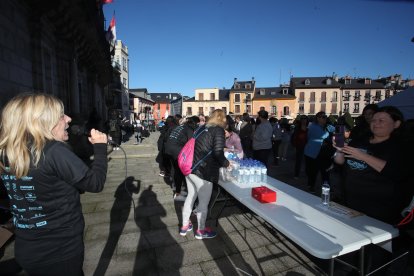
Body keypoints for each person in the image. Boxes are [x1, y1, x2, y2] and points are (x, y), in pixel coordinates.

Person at [0, 93, 108, 276]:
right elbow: (95, 183)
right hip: (60, 251)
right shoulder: (54, 151)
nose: (68, 119)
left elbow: (46, 184)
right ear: (41, 122)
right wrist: (100, 147)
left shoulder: (7, 152)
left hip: (27, 249)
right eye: (61, 116)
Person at [333, 106, 412, 275]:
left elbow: (397, 173)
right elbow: (341, 163)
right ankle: (355, 268)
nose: (376, 123)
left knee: (378, 253)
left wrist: (363, 156)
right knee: (355, 244)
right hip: (352, 204)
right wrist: (339, 151)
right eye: (374, 119)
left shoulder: (401, 146)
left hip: (382, 209)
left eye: (382, 120)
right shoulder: (360, 139)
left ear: (396, 124)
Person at [180, 109, 230, 239]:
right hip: (204, 171)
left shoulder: (202, 128)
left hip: (190, 167)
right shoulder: (218, 130)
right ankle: (201, 231)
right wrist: (227, 164)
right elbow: (218, 152)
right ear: (222, 119)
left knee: (190, 196)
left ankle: (185, 226)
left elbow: (204, 146)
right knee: (203, 203)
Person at [164, 116, 200, 201]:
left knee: (177, 170)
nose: (198, 125)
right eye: (198, 124)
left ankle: (178, 189)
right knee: (179, 171)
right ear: (194, 123)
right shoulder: (189, 130)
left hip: (168, 149)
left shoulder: (180, 126)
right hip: (176, 150)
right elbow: (191, 143)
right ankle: (178, 193)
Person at [303, 111, 335, 192]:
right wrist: (329, 131)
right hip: (313, 152)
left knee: (325, 171)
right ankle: (311, 186)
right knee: (313, 171)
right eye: (322, 117)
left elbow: (335, 132)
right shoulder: (313, 126)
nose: (325, 118)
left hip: (324, 153)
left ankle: (326, 187)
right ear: (317, 118)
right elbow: (323, 135)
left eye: (325, 117)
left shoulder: (326, 126)